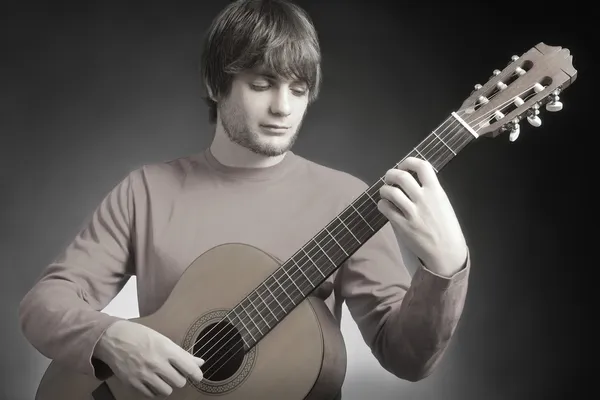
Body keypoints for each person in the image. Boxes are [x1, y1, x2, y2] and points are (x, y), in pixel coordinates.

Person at [19, 0, 471, 398]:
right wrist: (110, 337)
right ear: (217, 86)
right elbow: (45, 305)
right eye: (262, 85)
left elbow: (408, 359)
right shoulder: (145, 191)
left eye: (298, 90)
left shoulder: (348, 200)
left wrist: (445, 267)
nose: (283, 108)